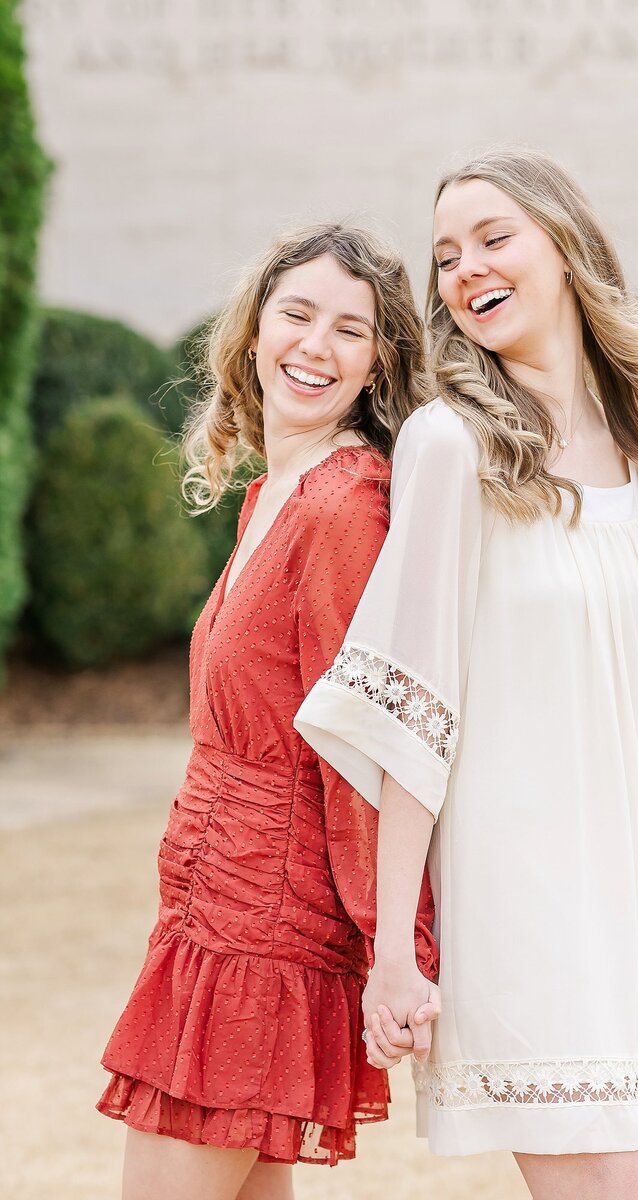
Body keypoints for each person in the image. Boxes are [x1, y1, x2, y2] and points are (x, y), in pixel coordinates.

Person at [295, 151, 638, 1199]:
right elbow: (412, 705)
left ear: (565, 249)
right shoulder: (450, 444)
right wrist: (394, 947)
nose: (462, 269)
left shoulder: (637, 447)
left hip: (627, 895)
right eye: (445, 254)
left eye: (491, 238)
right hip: (519, 896)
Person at [96, 223, 438, 1200]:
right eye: (296, 315)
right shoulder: (272, 494)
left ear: (379, 363)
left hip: (264, 935)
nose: (315, 346)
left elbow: (366, 744)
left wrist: (395, 954)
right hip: (211, 908)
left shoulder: (345, 506)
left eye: (349, 330)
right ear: (253, 332)